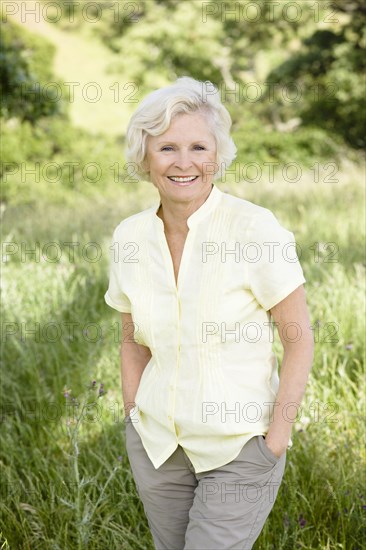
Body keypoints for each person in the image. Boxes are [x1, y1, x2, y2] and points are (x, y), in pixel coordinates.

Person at [104, 76, 314, 550]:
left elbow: (299, 337)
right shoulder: (130, 238)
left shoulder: (254, 228)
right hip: (158, 447)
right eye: (167, 148)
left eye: (199, 146)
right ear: (145, 156)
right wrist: (134, 417)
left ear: (218, 155)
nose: (184, 163)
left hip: (240, 446)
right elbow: (131, 338)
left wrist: (275, 440)